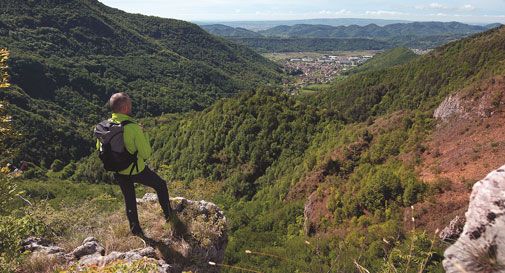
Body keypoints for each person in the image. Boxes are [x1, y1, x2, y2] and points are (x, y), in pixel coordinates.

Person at [97, 92, 182, 237]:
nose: (132, 106)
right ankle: (169, 216)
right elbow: (146, 154)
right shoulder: (133, 127)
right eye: (130, 104)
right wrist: (144, 134)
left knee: (129, 199)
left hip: (118, 171)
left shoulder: (104, 127)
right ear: (124, 108)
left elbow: (100, 149)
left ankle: (136, 231)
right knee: (160, 185)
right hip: (136, 170)